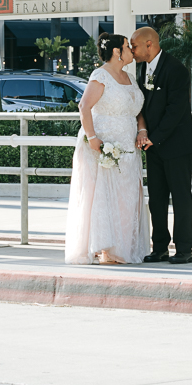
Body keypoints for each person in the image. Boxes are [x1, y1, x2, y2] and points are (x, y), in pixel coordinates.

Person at [64, 33, 151, 265]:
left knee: (126, 197)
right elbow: (84, 106)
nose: (131, 50)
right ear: (116, 52)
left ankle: (122, 247)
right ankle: (104, 248)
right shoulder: (100, 75)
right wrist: (92, 138)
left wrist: (142, 130)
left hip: (128, 147)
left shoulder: (130, 78)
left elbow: (137, 110)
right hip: (104, 146)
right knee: (103, 195)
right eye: (126, 46)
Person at [130, 26, 192, 264]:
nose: (132, 50)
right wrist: (144, 133)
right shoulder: (142, 69)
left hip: (177, 144)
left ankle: (184, 249)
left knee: (181, 197)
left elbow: (175, 110)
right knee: (156, 198)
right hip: (154, 146)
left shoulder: (176, 69)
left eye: (135, 46)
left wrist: (153, 137)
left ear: (149, 44)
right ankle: (159, 247)